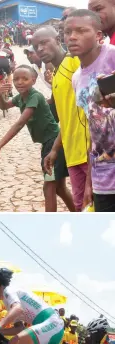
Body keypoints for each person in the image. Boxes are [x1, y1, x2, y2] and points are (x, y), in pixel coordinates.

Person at [0, 65, 75, 212]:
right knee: (60, 188)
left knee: (49, 187)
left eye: (25, 79)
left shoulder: (35, 97)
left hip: (53, 144)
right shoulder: (21, 97)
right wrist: (0, 94)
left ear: (33, 80)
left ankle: (50, 226)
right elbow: (3, 106)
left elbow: (20, 123)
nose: (20, 82)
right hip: (49, 143)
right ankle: (79, 215)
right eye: (17, 79)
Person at [32, 26, 89, 212]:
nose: (39, 49)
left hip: (90, 152)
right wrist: (55, 150)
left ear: (58, 40)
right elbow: (66, 119)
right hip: (73, 156)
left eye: (43, 43)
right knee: (82, 209)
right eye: (35, 46)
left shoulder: (75, 62)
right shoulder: (56, 77)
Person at [64, 10, 115, 212]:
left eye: (81, 30)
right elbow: (93, 133)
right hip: (103, 180)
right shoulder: (77, 79)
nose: (72, 37)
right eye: (67, 32)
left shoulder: (112, 56)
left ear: (98, 35)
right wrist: (89, 183)